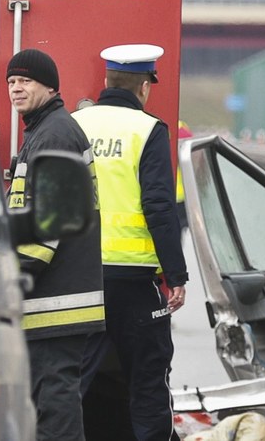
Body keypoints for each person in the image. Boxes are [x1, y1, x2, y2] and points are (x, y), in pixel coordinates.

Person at [73, 43, 188, 441]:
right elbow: (159, 205)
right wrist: (175, 274)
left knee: (73, 381)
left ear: (106, 81)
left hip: (79, 278)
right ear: (144, 87)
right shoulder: (148, 129)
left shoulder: (74, 125)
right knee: (148, 378)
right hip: (135, 282)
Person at [6, 48, 105, 441]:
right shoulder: (44, 131)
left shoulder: (56, 134)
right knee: (46, 398)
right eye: (12, 81)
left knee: (55, 399)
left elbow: (48, 224)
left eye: (25, 81)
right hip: (53, 297)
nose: (16, 88)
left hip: (56, 299)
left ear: (50, 86)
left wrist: (12, 277)